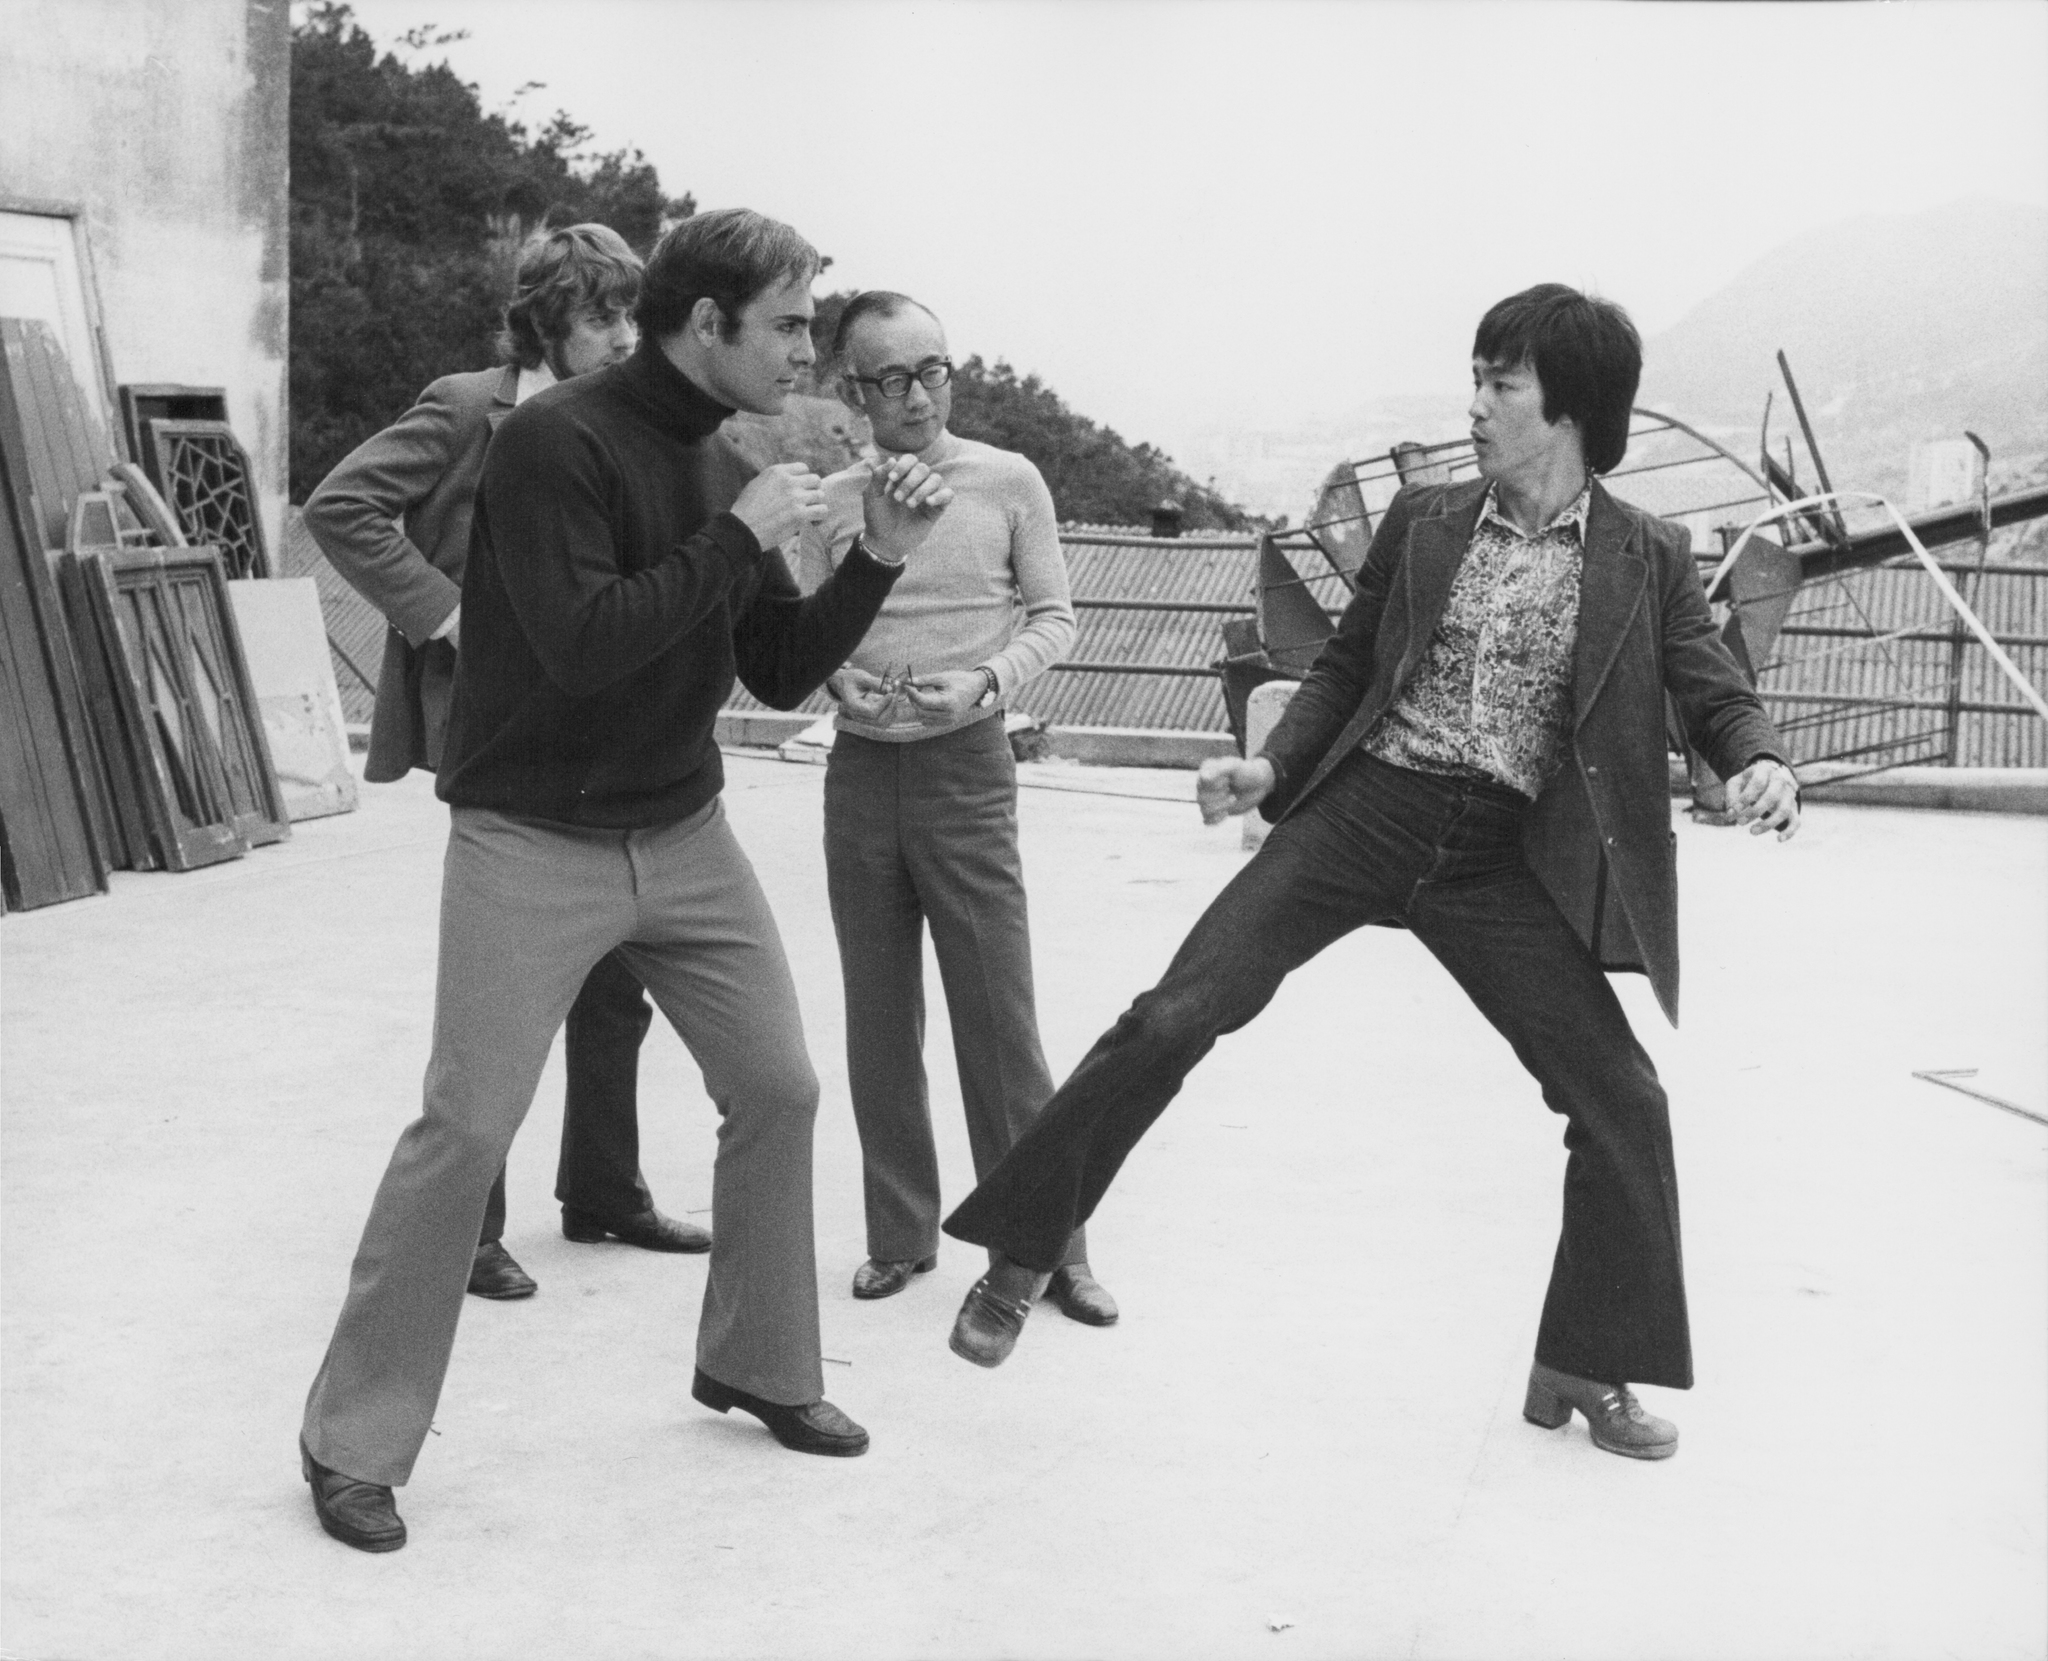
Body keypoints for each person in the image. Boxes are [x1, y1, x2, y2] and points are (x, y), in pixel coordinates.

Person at [941, 284, 1801, 1464]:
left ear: (1569, 409)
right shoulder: (1427, 519)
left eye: (1501, 383)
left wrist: (1757, 761)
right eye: (1478, 376)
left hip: (1496, 853)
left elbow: (1709, 687)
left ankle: (1581, 1360)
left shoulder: (1643, 553)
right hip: (1363, 814)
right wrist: (1269, 767)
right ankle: (1024, 1246)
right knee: (1175, 1012)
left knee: (1622, 1101)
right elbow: (1346, 668)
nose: (1477, 403)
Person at [299, 208, 953, 1553]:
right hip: (529, 835)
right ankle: (350, 1438)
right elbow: (586, 644)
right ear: (701, 321)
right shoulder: (553, 442)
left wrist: (876, 554)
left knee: (776, 1084)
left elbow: (771, 667)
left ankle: (761, 1363)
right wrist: (744, 531)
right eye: (782, 326)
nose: (804, 352)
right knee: (467, 1128)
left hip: (683, 829)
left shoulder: (731, 457)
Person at [303, 224, 711, 1304]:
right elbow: (339, 505)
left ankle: (604, 1189)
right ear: (543, 321)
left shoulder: (636, 420)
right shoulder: (467, 403)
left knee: (617, 979)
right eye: (604, 318)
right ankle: (469, 1230)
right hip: (497, 728)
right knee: (504, 995)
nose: (627, 336)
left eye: (635, 314)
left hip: (607, 727)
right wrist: (444, 615)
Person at [800, 292, 1116, 1327]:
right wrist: (832, 676)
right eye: (889, 377)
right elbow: (806, 630)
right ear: (852, 390)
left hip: (968, 769)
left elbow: (1052, 613)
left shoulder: (1008, 481)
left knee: (999, 1018)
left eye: (932, 368)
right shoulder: (834, 499)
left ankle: (1047, 1244)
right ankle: (899, 1236)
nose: (916, 394)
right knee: (877, 1016)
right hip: (859, 774)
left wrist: (985, 685)